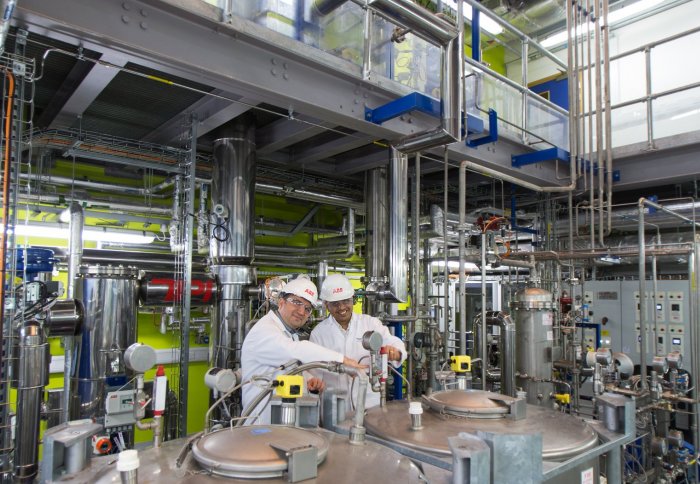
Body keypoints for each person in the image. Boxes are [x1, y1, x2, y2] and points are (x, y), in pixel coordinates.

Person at [240, 276, 362, 425]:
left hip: (281, 423)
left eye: (307, 308)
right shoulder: (265, 330)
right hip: (260, 424)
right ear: (281, 301)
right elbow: (293, 351)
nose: (301, 311)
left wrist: (308, 380)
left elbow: (287, 366)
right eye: (297, 302)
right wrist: (343, 361)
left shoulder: (289, 334)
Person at [310, 274, 407, 409]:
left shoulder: (370, 323)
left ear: (352, 300)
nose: (342, 307)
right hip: (335, 406)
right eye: (335, 304)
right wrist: (314, 385)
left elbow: (391, 341)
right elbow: (313, 373)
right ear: (326, 305)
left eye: (346, 301)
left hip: (370, 402)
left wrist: (395, 352)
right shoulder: (318, 333)